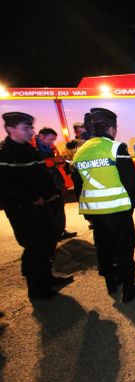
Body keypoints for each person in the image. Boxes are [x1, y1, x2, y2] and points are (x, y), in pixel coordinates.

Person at [71, 108, 135, 302]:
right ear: (112, 128)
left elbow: (78, 186)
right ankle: (128, 289)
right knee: (124, 248)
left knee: (104, 248)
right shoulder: (116, 148)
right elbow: (131, 182)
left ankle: (111, 284)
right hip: (117, 210)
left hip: (95, 213)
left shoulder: (80, 152)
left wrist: (87, 214)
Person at [0, 112, 73, 300]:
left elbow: (43, 176)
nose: (31, 132)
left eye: (31, 127)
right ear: (10, 129)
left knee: (48, 242)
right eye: (26, 128)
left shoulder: (29, 150)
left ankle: (47, 278)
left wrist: (52, 195)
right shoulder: (4, 153)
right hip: (23, 210)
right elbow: (6, 186)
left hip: (43, 206)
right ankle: (36, 287)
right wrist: (31, 199)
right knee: (34, 246)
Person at [32, 127, 77, 241]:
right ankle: (50, 235)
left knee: (59, 207)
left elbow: (56, 164)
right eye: (51, 139)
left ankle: (60, 231)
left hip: (55, 182)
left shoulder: (51, 147)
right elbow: (36, 165)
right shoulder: (31, 148)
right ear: (41, 136)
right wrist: (53, 161)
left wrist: (62, 161)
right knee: (47, 211)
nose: (52, 142)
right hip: (41, 184)